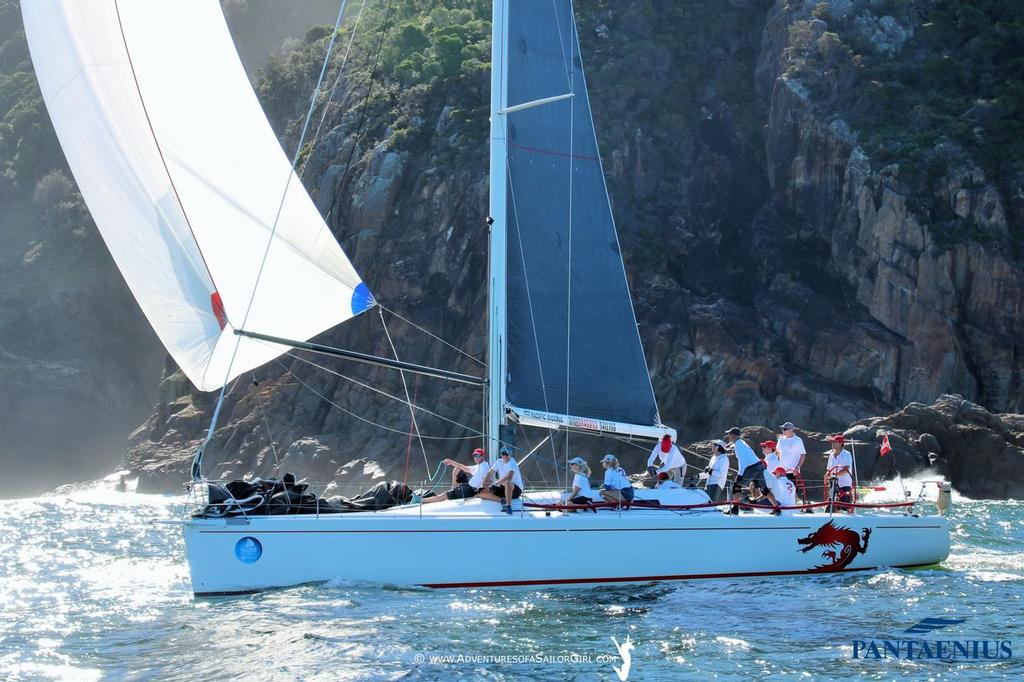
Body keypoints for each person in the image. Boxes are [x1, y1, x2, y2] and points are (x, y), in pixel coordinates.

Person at [724, 428, 780, 516]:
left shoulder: (738, 444)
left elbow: (743, 461)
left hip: (752, 468)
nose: (728, 436)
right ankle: (777, 509)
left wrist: (740, 474)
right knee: (764, 490)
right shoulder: (742, 443)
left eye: (729, 434)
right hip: (759, 466)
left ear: (734, 435)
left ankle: (735, 509)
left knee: (736, 486)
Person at [421, 448, 490, 504]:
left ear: (482, 456)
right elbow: (461, 467)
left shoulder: (484, 466)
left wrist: (450, 462)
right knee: (457, 470)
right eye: (474, 456)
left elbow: (485, 481)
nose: (476, 458)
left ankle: (422, 500)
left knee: (445, 495)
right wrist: (451, 466)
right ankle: (424, 500)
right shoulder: (479, 466)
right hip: (468, 489)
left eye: (478, 456)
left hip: (469, 490)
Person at [477, 448, 523, 514]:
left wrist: (498, 482)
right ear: (501, 455)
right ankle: (502, 501)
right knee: (480, 492)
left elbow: (509, 477)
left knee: (507, 482)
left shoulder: (512, 463)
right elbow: (490, 472)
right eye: (504, 454)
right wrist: (485, 481)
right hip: (503, 488)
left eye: (507, 454)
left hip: (516, 490)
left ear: (510, 455)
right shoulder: (499, 461)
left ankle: (508, 505)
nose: (506, 456)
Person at [777, 421, 809, 508]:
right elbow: (778, 453)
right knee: (780, 490)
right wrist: (777, 467)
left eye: (784, 429)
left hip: (792, 471)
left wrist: (797, 467)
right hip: (781, 471)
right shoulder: (781, 439)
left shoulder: (798, 440)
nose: (783, 431)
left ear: (791, 430)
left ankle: (793, 507)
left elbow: (803, 455)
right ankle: (783, 507)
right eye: (782, 429)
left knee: (791, 491)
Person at [825, 434, 854, 512]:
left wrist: (834, 475)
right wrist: (826, 476)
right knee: (831, 506)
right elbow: (829, 469)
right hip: (833, 484)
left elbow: (846, 469)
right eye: (832, 442)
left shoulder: (846, 454)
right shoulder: (831, 454)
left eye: (835, 442)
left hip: (845, 484)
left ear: (841, 443)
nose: (833, 444)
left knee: (845, 507)